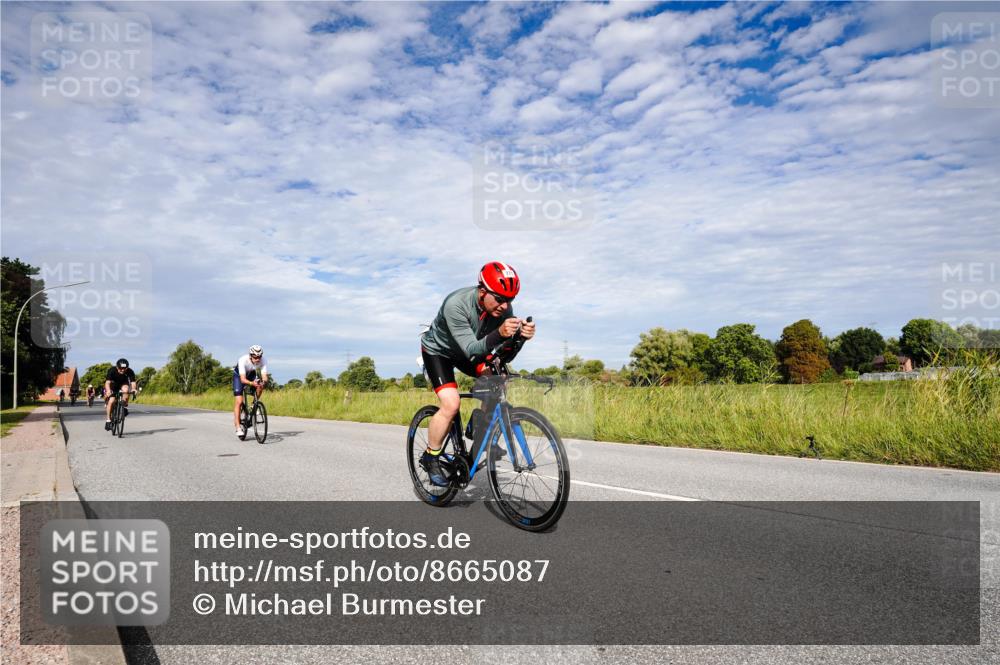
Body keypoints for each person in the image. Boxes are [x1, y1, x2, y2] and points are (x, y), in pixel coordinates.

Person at [418, 261, 534, 486]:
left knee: (497, 377)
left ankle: (480, 426)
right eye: (499, 299)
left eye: (509, 300)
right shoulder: (456, 304)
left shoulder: (504, 310)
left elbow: (502, 356)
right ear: (482, 291)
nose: (504, 306)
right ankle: (430, 456)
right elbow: (473, 349)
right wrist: (500, 333)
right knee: (451, 404)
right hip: (439, 352)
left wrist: (519, 339)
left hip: (467, 353)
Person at [233, 345, 269, 437]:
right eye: (255, 357)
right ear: (250, 356)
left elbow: (264, 376)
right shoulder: (243, 360)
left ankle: (254, 405)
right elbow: (243, 380)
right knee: (239, 401)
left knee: (260, 385)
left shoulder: (263, 360)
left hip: (251, 373)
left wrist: (263, 382)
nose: (258, 359)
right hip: (239, 376)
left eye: (259, 357)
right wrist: (252, 383)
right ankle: (237, 427)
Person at [104, 359, 137, 430]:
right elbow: (107, 383)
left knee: (126, 390)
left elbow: (133, 383)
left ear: (127, 368)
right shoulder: (112, 370)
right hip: (113, 386)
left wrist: (134, 389)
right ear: (117, 367)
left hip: (123, 384)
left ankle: (124, 406)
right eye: (120, 368)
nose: (122, 370)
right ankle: (108, 420)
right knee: (112, 401)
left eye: (124, 369)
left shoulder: (130, 371)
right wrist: (108, 390)